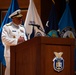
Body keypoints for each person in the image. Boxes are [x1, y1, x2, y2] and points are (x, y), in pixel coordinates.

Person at [1, 9, 27, 75]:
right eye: (19, 18)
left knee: (20, 71)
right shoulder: (7, 27)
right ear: (13, 19)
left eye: (21, 18)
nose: (21, 19)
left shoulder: (22, 28)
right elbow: (4, 39)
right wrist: (17, 40)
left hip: (21, 53)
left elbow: (25, 40)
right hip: (10, 53)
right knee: (10, 71)